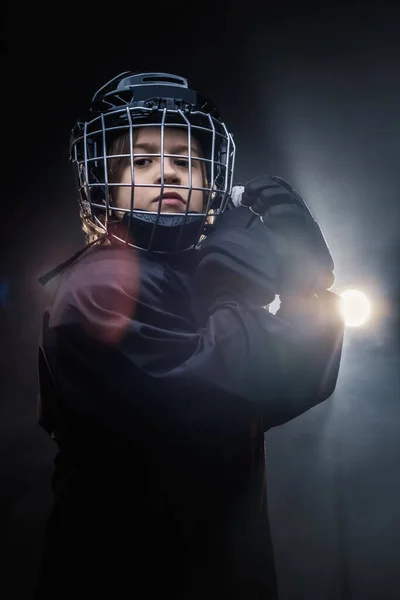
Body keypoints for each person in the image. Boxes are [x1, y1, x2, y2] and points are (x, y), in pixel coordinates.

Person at [34, 71, 344, 599]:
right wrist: (231, 286)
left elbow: (289, 384)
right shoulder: (99, 285)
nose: (166, 175)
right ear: (105, 179)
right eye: (141, 159)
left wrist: (307, 287)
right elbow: (218, 396)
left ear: (211, 183)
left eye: (184, 161)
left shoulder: (189, 277)